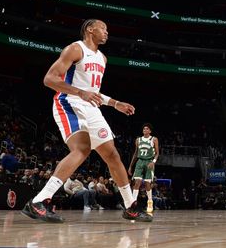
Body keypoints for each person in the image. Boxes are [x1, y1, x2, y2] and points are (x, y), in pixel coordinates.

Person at [21, 19, 151, 223]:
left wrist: (115, 103)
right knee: (82, 149)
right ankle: (39, 201)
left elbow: (94, 92)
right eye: (103, 28)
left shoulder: (103, 58)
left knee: (112, 155)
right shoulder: (75, 49)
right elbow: (50, 79)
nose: (107, 32)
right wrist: (80, 92)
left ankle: (130, 207)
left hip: (91, 107)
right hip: (69, 101)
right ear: (90, 29)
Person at [129, 123, 160, 215]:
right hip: (140, 162)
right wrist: (131, 166)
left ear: (150, 131)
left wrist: (153, 162)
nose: (145, 130)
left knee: (147, 184)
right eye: (144, 129)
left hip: (149, 161)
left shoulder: (154, 139)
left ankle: (150, 202)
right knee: (137, 182)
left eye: (147, 129)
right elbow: (135, 153)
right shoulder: (138, 140)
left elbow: (157, 153)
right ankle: (133, 203)